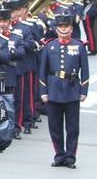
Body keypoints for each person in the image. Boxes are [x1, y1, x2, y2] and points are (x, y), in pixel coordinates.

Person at [37, 14, 89, 168]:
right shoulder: (49, 46)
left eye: (66, 27)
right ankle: (59, 155)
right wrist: (43, 91)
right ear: (56, 28)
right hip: (53, 90)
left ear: (71, 28)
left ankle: (70, 156)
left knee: (73, 128)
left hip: (72, 90)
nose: (64, 29)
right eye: (61, 27)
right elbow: (43, 71)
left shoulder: (79, 46)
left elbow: (84, 71)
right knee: (55, 126)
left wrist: (84, 90)